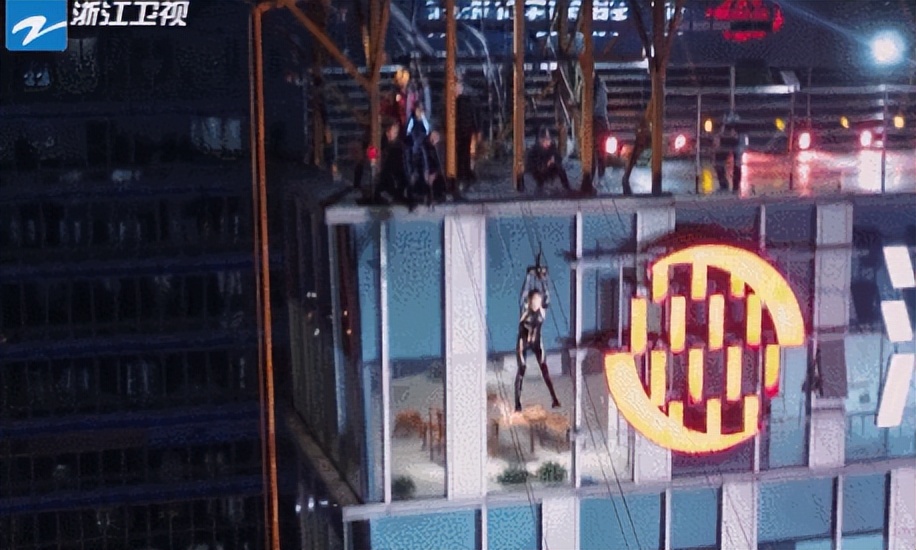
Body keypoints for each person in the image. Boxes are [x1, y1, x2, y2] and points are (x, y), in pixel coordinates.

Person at [515, 278, 562, 412]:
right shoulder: (524, 309)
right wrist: (528, 277)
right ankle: (517, 403)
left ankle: (554, 398)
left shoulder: (542, 310)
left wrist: (543, 280)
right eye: (533, 301)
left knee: (544, 367)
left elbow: (547, 297)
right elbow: (523, 295)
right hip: (523, 341)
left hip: (536, 341)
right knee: (522, 368)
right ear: (529, 301)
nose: (535, 303)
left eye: (537, 301)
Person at [376, 121, 416, 208]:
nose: (390, 135)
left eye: (394, 132)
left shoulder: (399, 148)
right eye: (389, 132)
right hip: (389, 179)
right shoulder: (383, 145)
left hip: (396, 180)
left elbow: (403, 167)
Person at [524, 127, 571, 192]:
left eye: (549, 139)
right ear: (540, 140)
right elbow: (535, 167)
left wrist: (555, 162)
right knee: (538, 180)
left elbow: (559, 159)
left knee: (561, 169)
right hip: (536, 173)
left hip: (548, 171)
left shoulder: (552, 148)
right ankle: (539, 190)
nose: (547, 142)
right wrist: (547, 164)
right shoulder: (534, 151)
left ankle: (567, 188)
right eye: (545, 140)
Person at [455, 80, 480, 183]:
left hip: (463, 131)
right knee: (463, 153)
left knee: (464, 153)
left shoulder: (463, 102)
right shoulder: (465, 102)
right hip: (464, 131)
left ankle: (464, 173)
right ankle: (464, 173)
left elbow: (472, 116)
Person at [715, 115, 746, 192]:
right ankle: (724, 185)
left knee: (737, 163)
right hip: (727, 137)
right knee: (719, 161)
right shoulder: (726, 114)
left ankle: (735, 187)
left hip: (737, 137)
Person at [592, 72, 610, 181]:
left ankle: (597, 174)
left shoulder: (599, 87)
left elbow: (599, 106)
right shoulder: (600, 86)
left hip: (598, 120)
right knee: (599, 150)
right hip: (600, 120)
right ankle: (598, 174)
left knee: (598, 149)